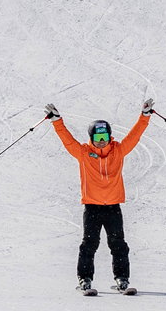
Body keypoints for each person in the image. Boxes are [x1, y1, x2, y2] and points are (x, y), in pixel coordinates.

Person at [44, 99, 154, 295]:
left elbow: (134, 136)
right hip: (92, 207)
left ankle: (122, 279)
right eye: (98, 136)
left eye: (104, 135)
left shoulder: (118, 151)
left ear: (109, 136)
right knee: (89, 243)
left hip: (113, 207)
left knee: (118, 244)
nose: (101, 140)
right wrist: (57, 121)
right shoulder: (84, 153)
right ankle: (84, 279)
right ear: (91, 138)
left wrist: (144, 116)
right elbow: (68, 140)